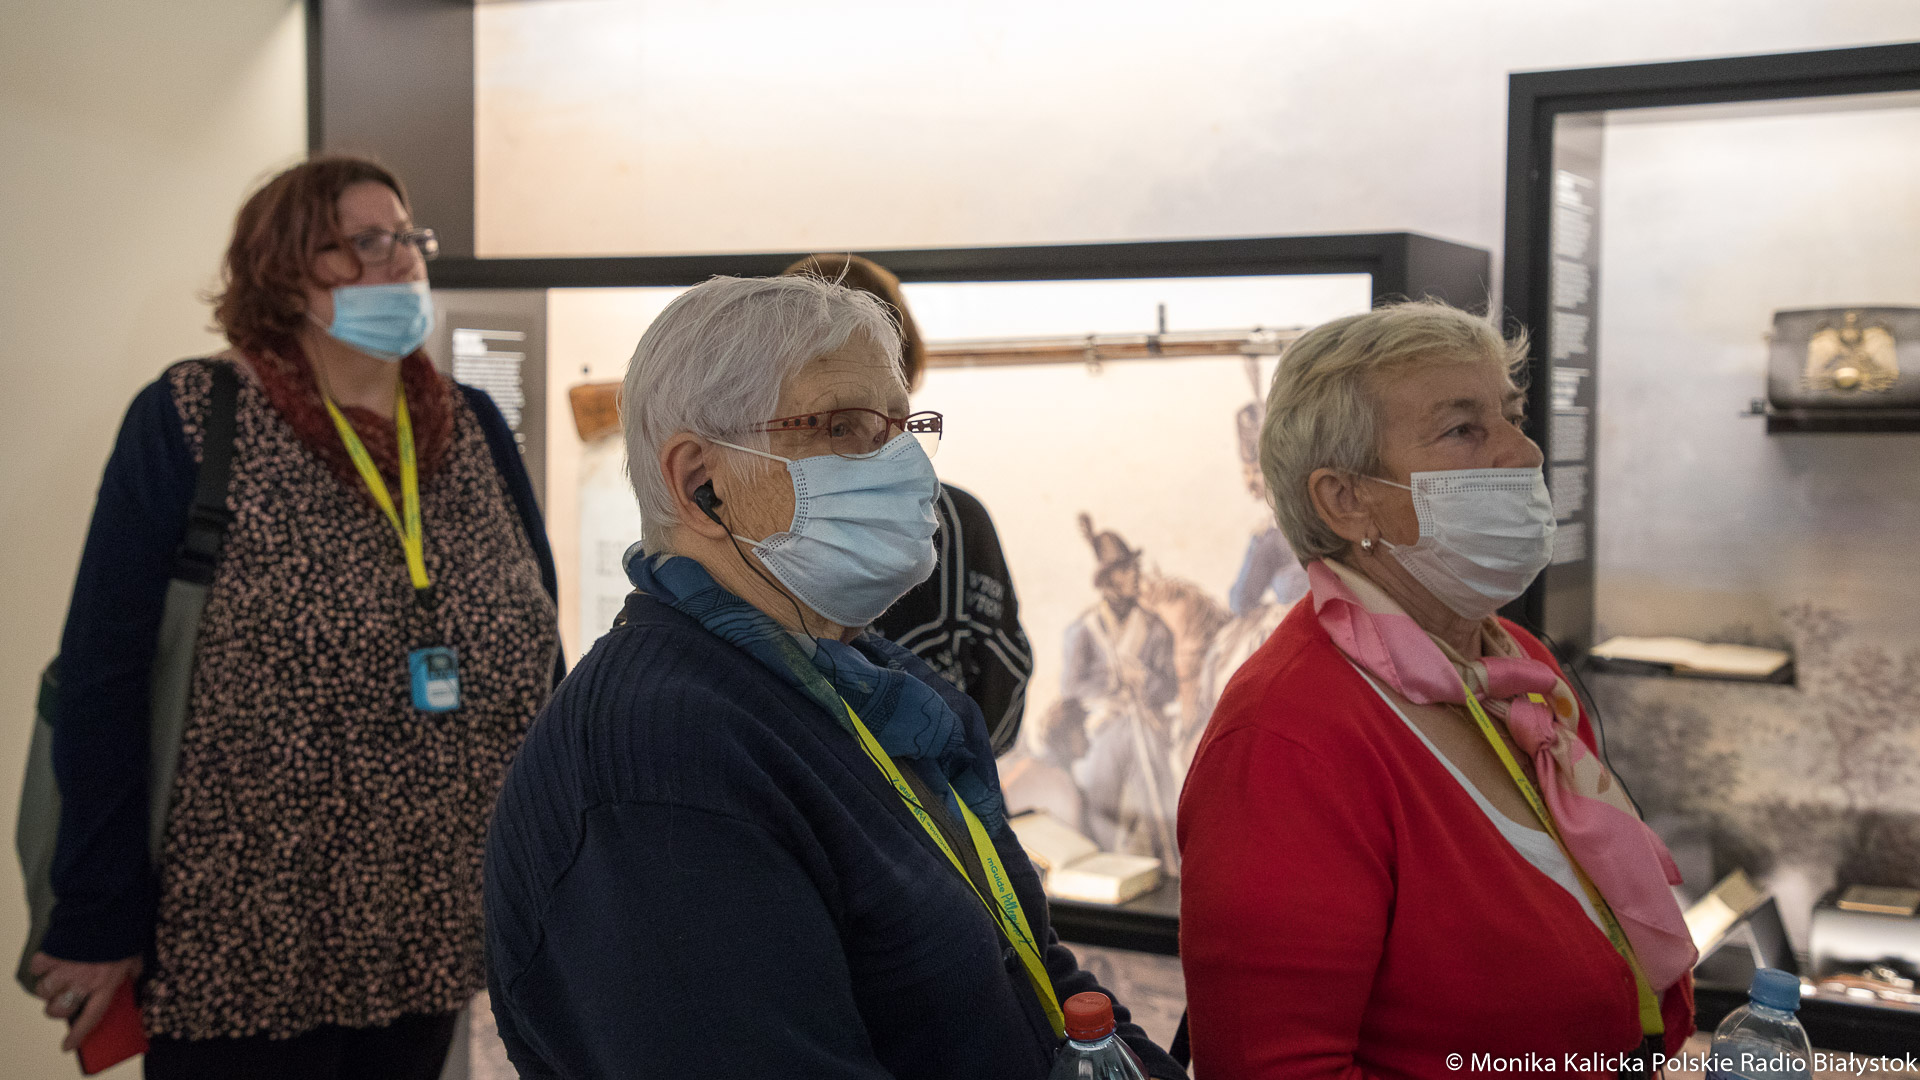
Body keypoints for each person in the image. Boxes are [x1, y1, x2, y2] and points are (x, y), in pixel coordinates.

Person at [484, 275, 1184, 1080]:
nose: (904, 466)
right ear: (700, 482)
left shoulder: (876, 685)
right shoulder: (657, 764)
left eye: (900, 427)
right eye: (842, 427)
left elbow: (1028, 964)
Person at [32, 156, 561, 1079]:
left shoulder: (472, 424)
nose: (401, 259)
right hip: (246, 934)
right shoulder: (193, 417)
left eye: (407, 236)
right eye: (363, 242)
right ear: (281, 271)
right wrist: (96, 916)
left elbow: (541, 652)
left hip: (429, 924)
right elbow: (104, 678)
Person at [1178, 302, 1695, 1078]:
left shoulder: (1514, 661)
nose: (1524, 452)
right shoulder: (1286, 739)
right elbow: (1278, 1066)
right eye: (1463, 430)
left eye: (1511, 417)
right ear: (1345, 500)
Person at [783, 253, 1034, 754]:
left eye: (900, 423)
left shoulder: (758, 513)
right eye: (837, 425)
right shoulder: (957, 519)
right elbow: (1001, 693)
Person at [1060, 515, 1181, 868]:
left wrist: (1144, 680)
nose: (1136, 575)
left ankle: (1167, 862)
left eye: (1134, 568)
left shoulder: (1155, 629)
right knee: (1098, 789)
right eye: (1127, 570)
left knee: (1159, 790)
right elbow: (1071, 687)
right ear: (1110, 580)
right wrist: (1114, 682)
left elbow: (1170, 686)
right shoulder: (1083, 630)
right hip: (1103, 727)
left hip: (1146, 725)